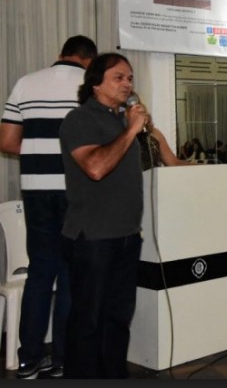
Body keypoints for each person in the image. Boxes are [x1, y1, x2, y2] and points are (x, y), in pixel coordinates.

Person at [0, 35, 97, 379]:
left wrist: (37, 148)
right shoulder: (91, 87)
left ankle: (28, 360)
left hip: (36, 191)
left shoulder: (25, 83)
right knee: (71, 276)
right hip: (76, 192)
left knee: (40, 274)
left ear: (61, 54)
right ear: (89, 60)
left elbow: (7, 141)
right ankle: (63, 359)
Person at [58, 52, 148, 378]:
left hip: (126, 236)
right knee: (88, 322)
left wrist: (132, 127)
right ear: (96, 83)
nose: (127, 84)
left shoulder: (121, 121)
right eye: (118, 78)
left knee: (118, 319)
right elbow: (95, 168)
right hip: (93, 238)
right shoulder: (80, 119)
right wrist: (131, 130)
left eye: (130, 78)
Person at [129, 93, 191, 170]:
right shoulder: (120, 135)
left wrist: (203, 166)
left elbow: (174, 163)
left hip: (154, 177)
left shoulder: (153, 133)